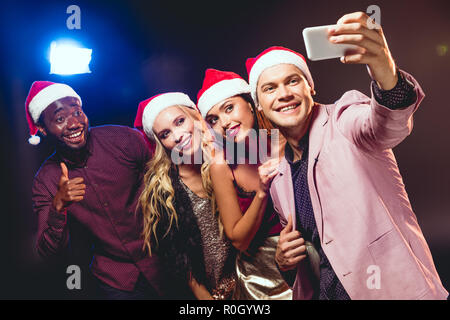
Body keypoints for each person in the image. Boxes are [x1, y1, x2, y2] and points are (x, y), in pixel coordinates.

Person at [246, 12, 449, 299]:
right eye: (269, 88)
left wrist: (383, 67)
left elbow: (385, 125)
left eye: (292, 81)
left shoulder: (344, 117)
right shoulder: (277, 174)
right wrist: (284, 261)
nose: (283, 94)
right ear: (261, 107)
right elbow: (311, 247)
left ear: (310, 87)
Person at [27, 81, 171, 299]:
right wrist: (58, 207)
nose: (74, 123)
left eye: (77, 112)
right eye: (60, 118)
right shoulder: (46, 180)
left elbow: (172, 179)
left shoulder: (124, 139)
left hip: (167, 262)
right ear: (43, 129)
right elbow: (47, 252)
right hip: (117, 280)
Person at [197, 68, 292, 299]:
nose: (225, 122)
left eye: (229, 108)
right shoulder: (222, 165)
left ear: (250, 103)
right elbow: (238, 239)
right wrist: (261, 191)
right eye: (214, 119)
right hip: (261, 278)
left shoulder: (287, 140)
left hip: (303, 255)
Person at [134, 92, 237, 300]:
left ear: (195, 117)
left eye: (180, 122)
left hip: (252, 279)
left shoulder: (231, 157)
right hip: (209, 293)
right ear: (162, 144)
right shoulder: (163, 188)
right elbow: (177, 254)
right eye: (165, 134)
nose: (177, 135)